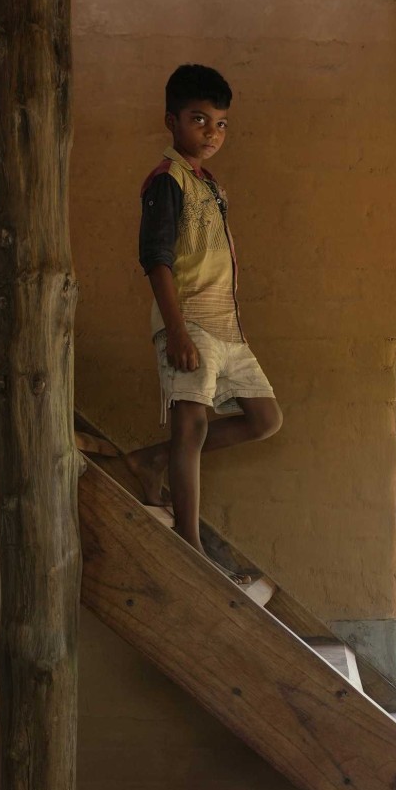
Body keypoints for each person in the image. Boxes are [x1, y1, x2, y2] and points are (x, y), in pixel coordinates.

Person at [126, 64, 282, 562]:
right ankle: (188, 542)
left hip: (227, 329)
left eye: (220, 123)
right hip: (188, 321)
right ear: (172, 120)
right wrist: (176, 331)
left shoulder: (209, 183)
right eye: (199, 120)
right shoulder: (166, 181)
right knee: (190, 427)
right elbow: (156, 258)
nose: (212, 133)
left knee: (264, 419)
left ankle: (150, 461)